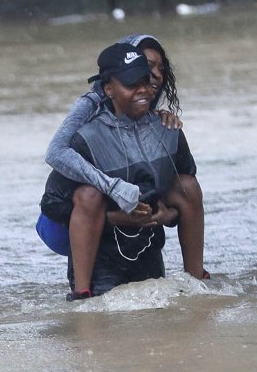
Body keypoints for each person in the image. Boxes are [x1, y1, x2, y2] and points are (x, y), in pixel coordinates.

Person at [40, 43, 199, 299]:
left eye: (146, 80)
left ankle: (198, 281)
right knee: (88, 194)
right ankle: (81, 297)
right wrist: (118, 216)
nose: (143, 89)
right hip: (101, 259)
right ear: (108, 89)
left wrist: (166, 215)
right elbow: (53, 205)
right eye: (132, 83)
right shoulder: (87, 138)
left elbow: (184, 198)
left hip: (147, 246)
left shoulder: (168, 130)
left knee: (187, 185)